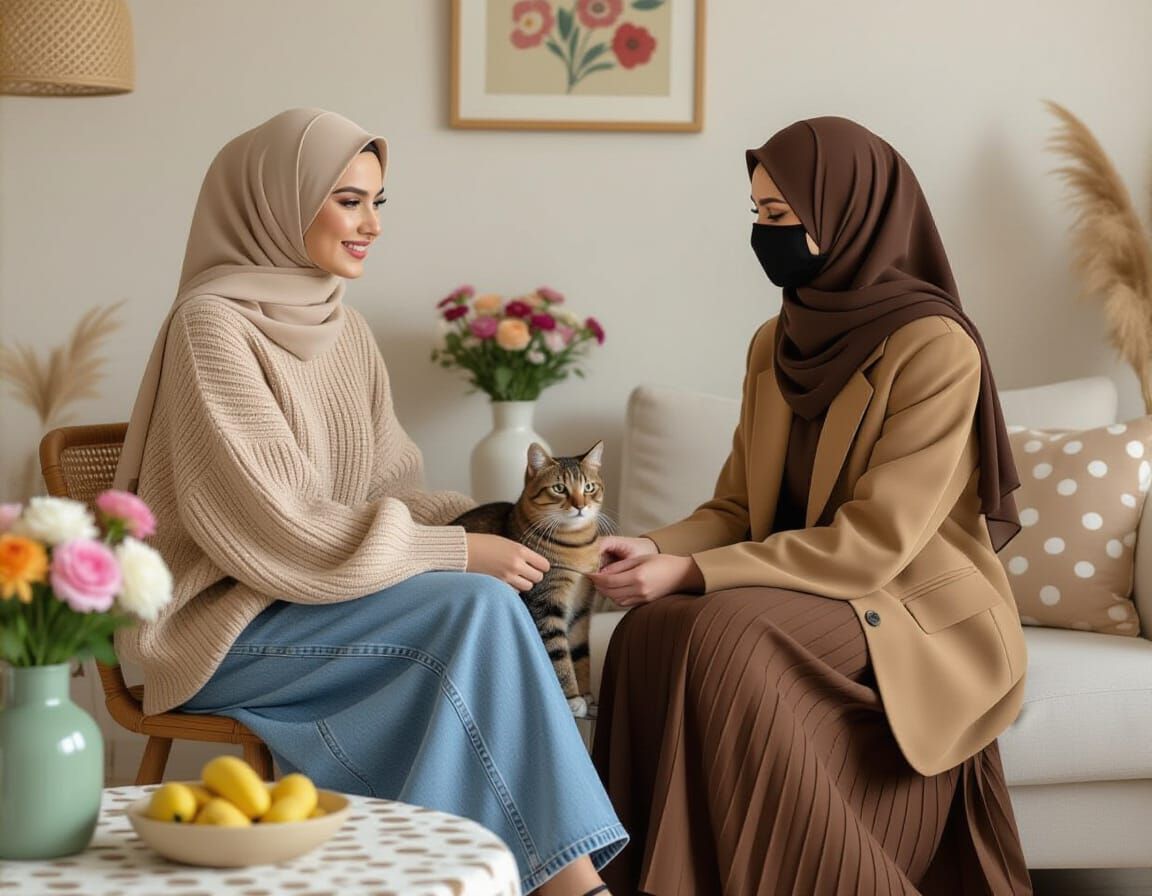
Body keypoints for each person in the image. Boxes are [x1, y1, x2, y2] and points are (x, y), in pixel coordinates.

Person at [112, 107, 626, 896]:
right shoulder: (211, 326)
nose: (371, 225)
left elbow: (394, 489)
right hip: (220, 628)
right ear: (277, 203)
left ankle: (542, 883)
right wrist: (458, 552)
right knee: (474, 606)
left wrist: (497, 531)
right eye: (349, 200)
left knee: (486, 597)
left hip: (319, 602)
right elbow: (274, 528)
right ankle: (565, 887)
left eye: (378, 203)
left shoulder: (342, 330)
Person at [587, 117, 1033, 895]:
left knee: (720, 634)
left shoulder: (936, 346)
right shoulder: (777, 340)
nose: (765, 237)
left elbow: (875, 544)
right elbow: (735, 505)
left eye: (782, 219)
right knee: (645, 632)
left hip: (902, 599)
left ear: (848, 215)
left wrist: (695, 572)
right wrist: (653, 550)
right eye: (758, 217)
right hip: (805, 589)